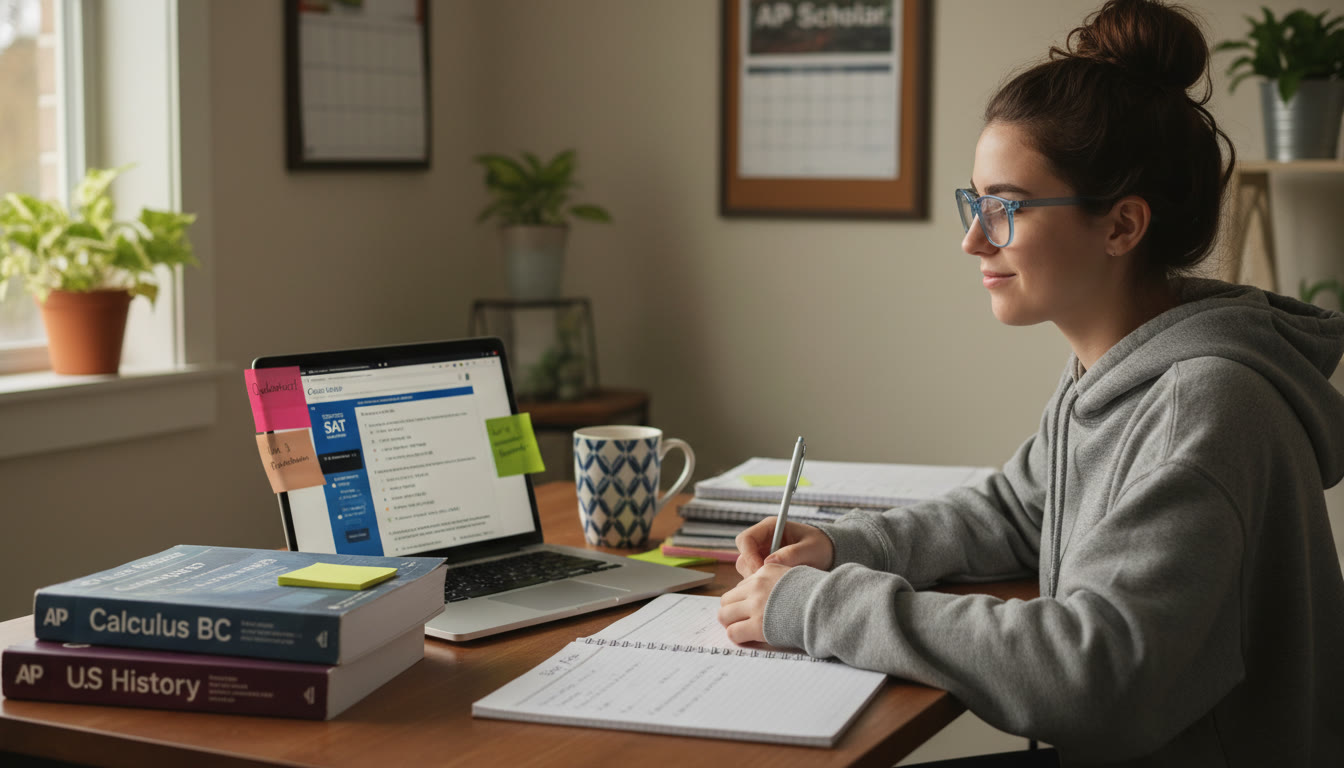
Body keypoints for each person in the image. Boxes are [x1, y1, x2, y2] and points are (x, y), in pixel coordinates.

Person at [717, 0, 1344, 764]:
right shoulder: (1116, 370)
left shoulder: (1203, 406)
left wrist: (821, 607)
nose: (973, 237)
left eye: (1005, 207)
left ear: (1121, 227)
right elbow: (1018, 508)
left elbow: (1093, 673)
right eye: (975, 202)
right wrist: (843, 547)